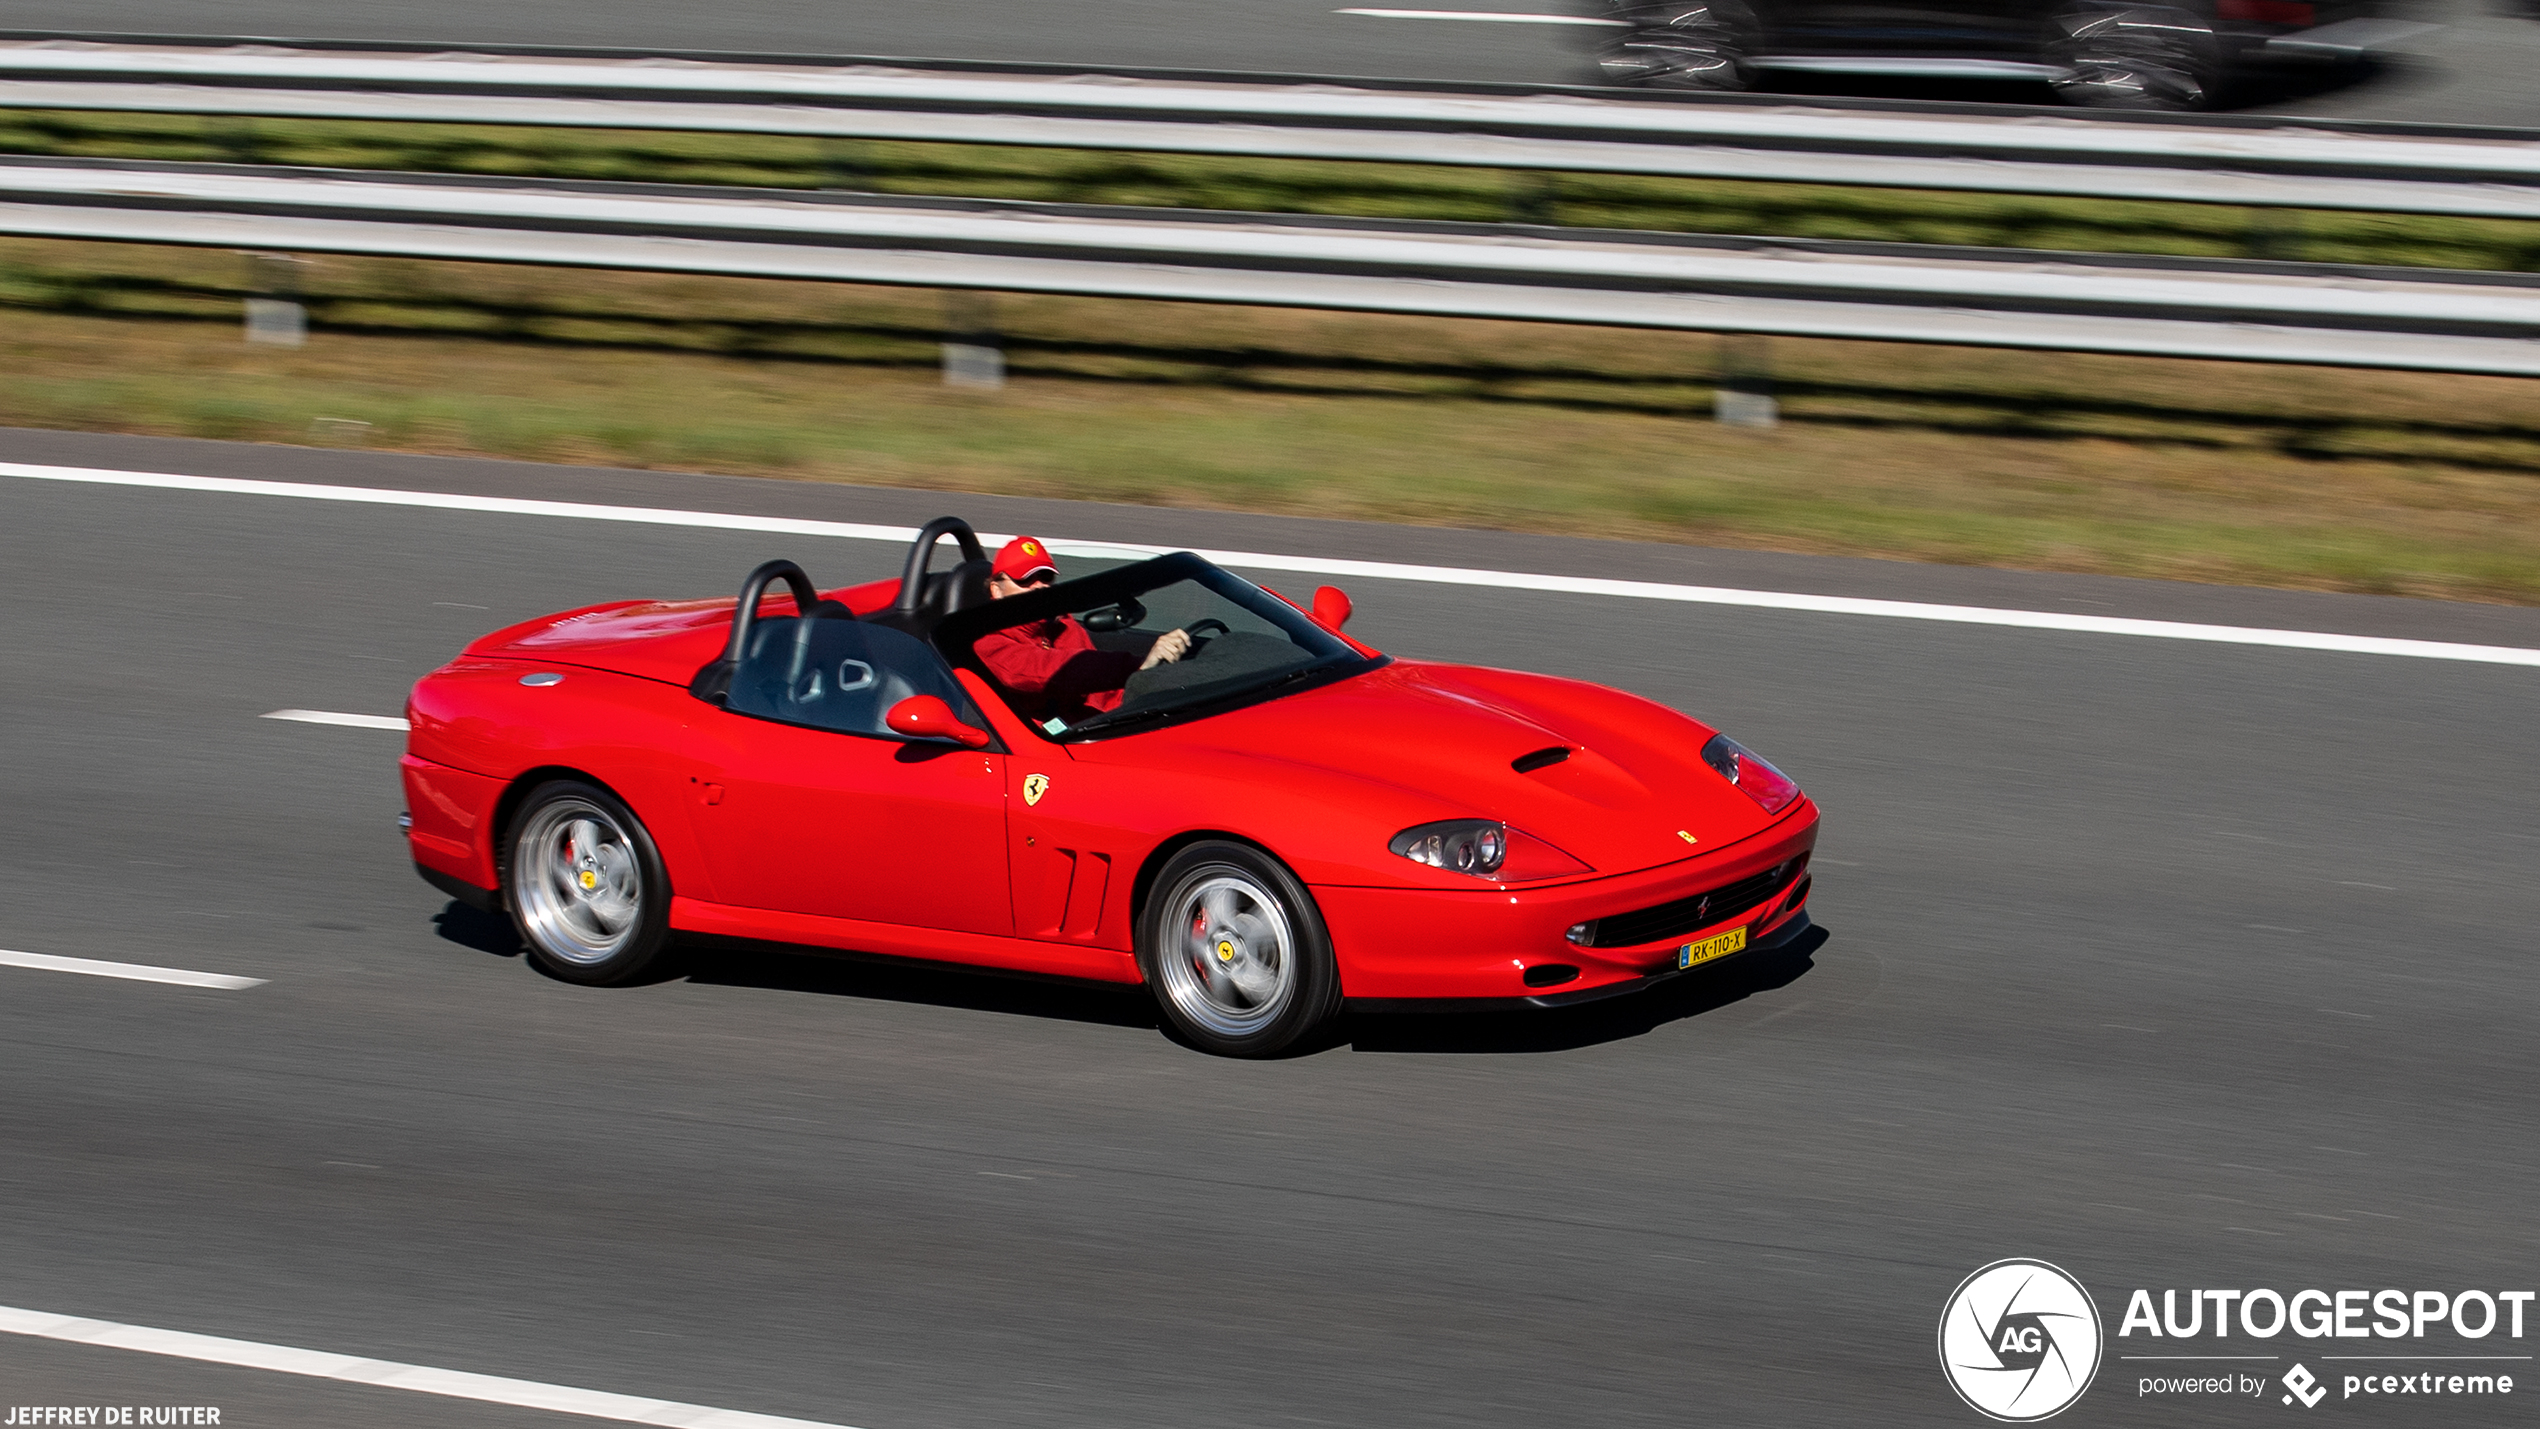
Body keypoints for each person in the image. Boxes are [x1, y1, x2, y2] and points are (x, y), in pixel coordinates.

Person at [973, 535, 1189, 724]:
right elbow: (1054, 670)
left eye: (1046, 578)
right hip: (1039, 749)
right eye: (1025, 579)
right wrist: (1138, 666)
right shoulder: (987, 641)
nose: (1039, 586)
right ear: (996, 590)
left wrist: (1142, 694)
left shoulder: (1062, 625)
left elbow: (1103, 696)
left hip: (1100, 727)